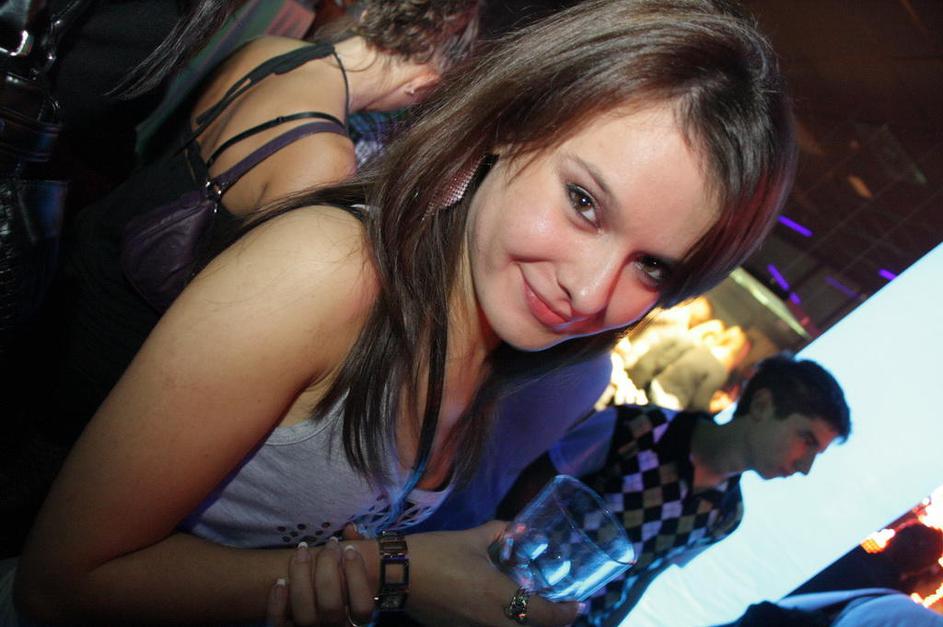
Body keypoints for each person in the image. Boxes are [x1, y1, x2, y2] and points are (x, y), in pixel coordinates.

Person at [10, 0, 797, 624]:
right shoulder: (330, 271)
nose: (589, 293)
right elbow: (63, 581)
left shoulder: (497, 347)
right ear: (510, 126)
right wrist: (400, 573)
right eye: (584, 202)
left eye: (653, 265)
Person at [501, 354, 852, 626]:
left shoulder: (727, 515)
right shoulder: (638, 427)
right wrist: (500, 578)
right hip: (513, 595)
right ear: (761, 405)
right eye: (806, 440)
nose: (805, 466)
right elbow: (533, 488)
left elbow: (643, 578)